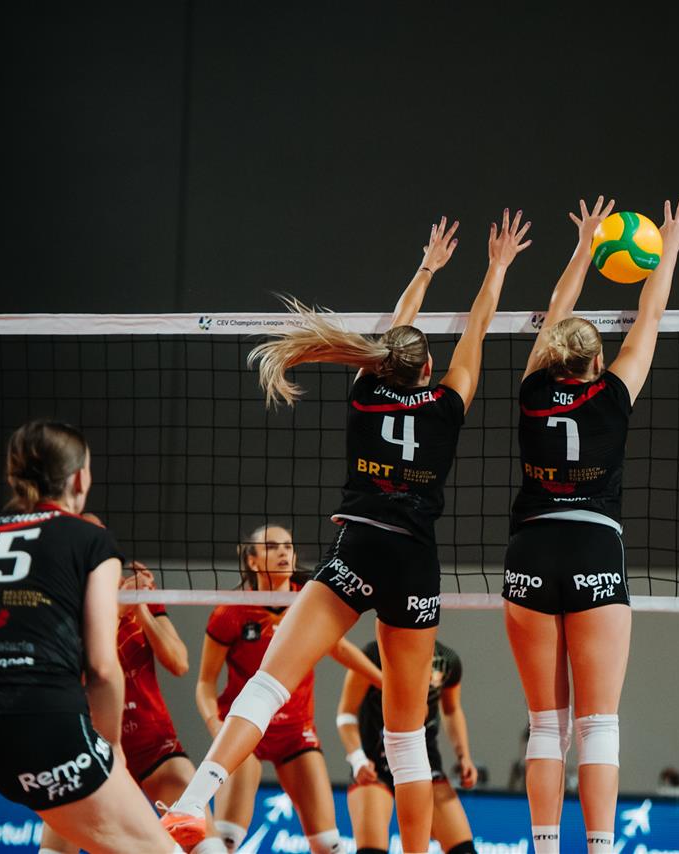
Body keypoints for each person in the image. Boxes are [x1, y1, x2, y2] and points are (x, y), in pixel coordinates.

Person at [162, 212, 530, 854]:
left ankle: (193, 804)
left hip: (357, 549)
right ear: (431, 368)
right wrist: (496, 268)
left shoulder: (364, 394)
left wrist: (426, 269)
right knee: (407, 740)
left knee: (266, 685)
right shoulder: (448, 405)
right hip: (412, 562)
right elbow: (477, 330)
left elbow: (393, 333)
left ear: (381, 364)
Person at [503, 197, 679, 854]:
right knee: (598, 725)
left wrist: (585, 246)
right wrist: (667, 250)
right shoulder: (615, 394)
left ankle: (543, 847)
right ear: (597, 362)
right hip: (593, 546)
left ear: (554, 353)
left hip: (532, 548)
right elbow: (650, 317)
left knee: (545, 725)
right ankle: (599, 849)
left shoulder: (533, 390)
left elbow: (558, 308)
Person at [0, 420, 181, 854]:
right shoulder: (92, 540)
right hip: (43, 722)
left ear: (13, 477)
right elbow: (101, 666)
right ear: (80, 478)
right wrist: (111, 750)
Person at [197, 524, 381, 853]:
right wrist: (216, 725)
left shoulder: (309, 599)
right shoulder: (230, 612)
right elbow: (205, 682)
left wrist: (385, 682)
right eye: (272, 546)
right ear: (252, 560)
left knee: (329, 844)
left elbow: (337, 647)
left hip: (296, 733)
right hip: (246, 729)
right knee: (226, 840)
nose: (283, 552)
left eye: (288, 546)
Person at [40, 557, 228, 854]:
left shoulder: (138, 596)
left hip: (153, 745)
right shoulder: (60, 606)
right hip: (89, 748)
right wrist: (116, 611)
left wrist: (141, 609)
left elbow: (178, 663)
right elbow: (75, 675)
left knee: (207, 843)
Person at [336, 640, 477, 854]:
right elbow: (346, 713)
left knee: (464, 850)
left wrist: (464, 756)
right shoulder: (375, 653)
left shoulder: (447, 660)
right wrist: (358, 759)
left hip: (425, 766)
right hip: (374, 767)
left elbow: (452, 710)